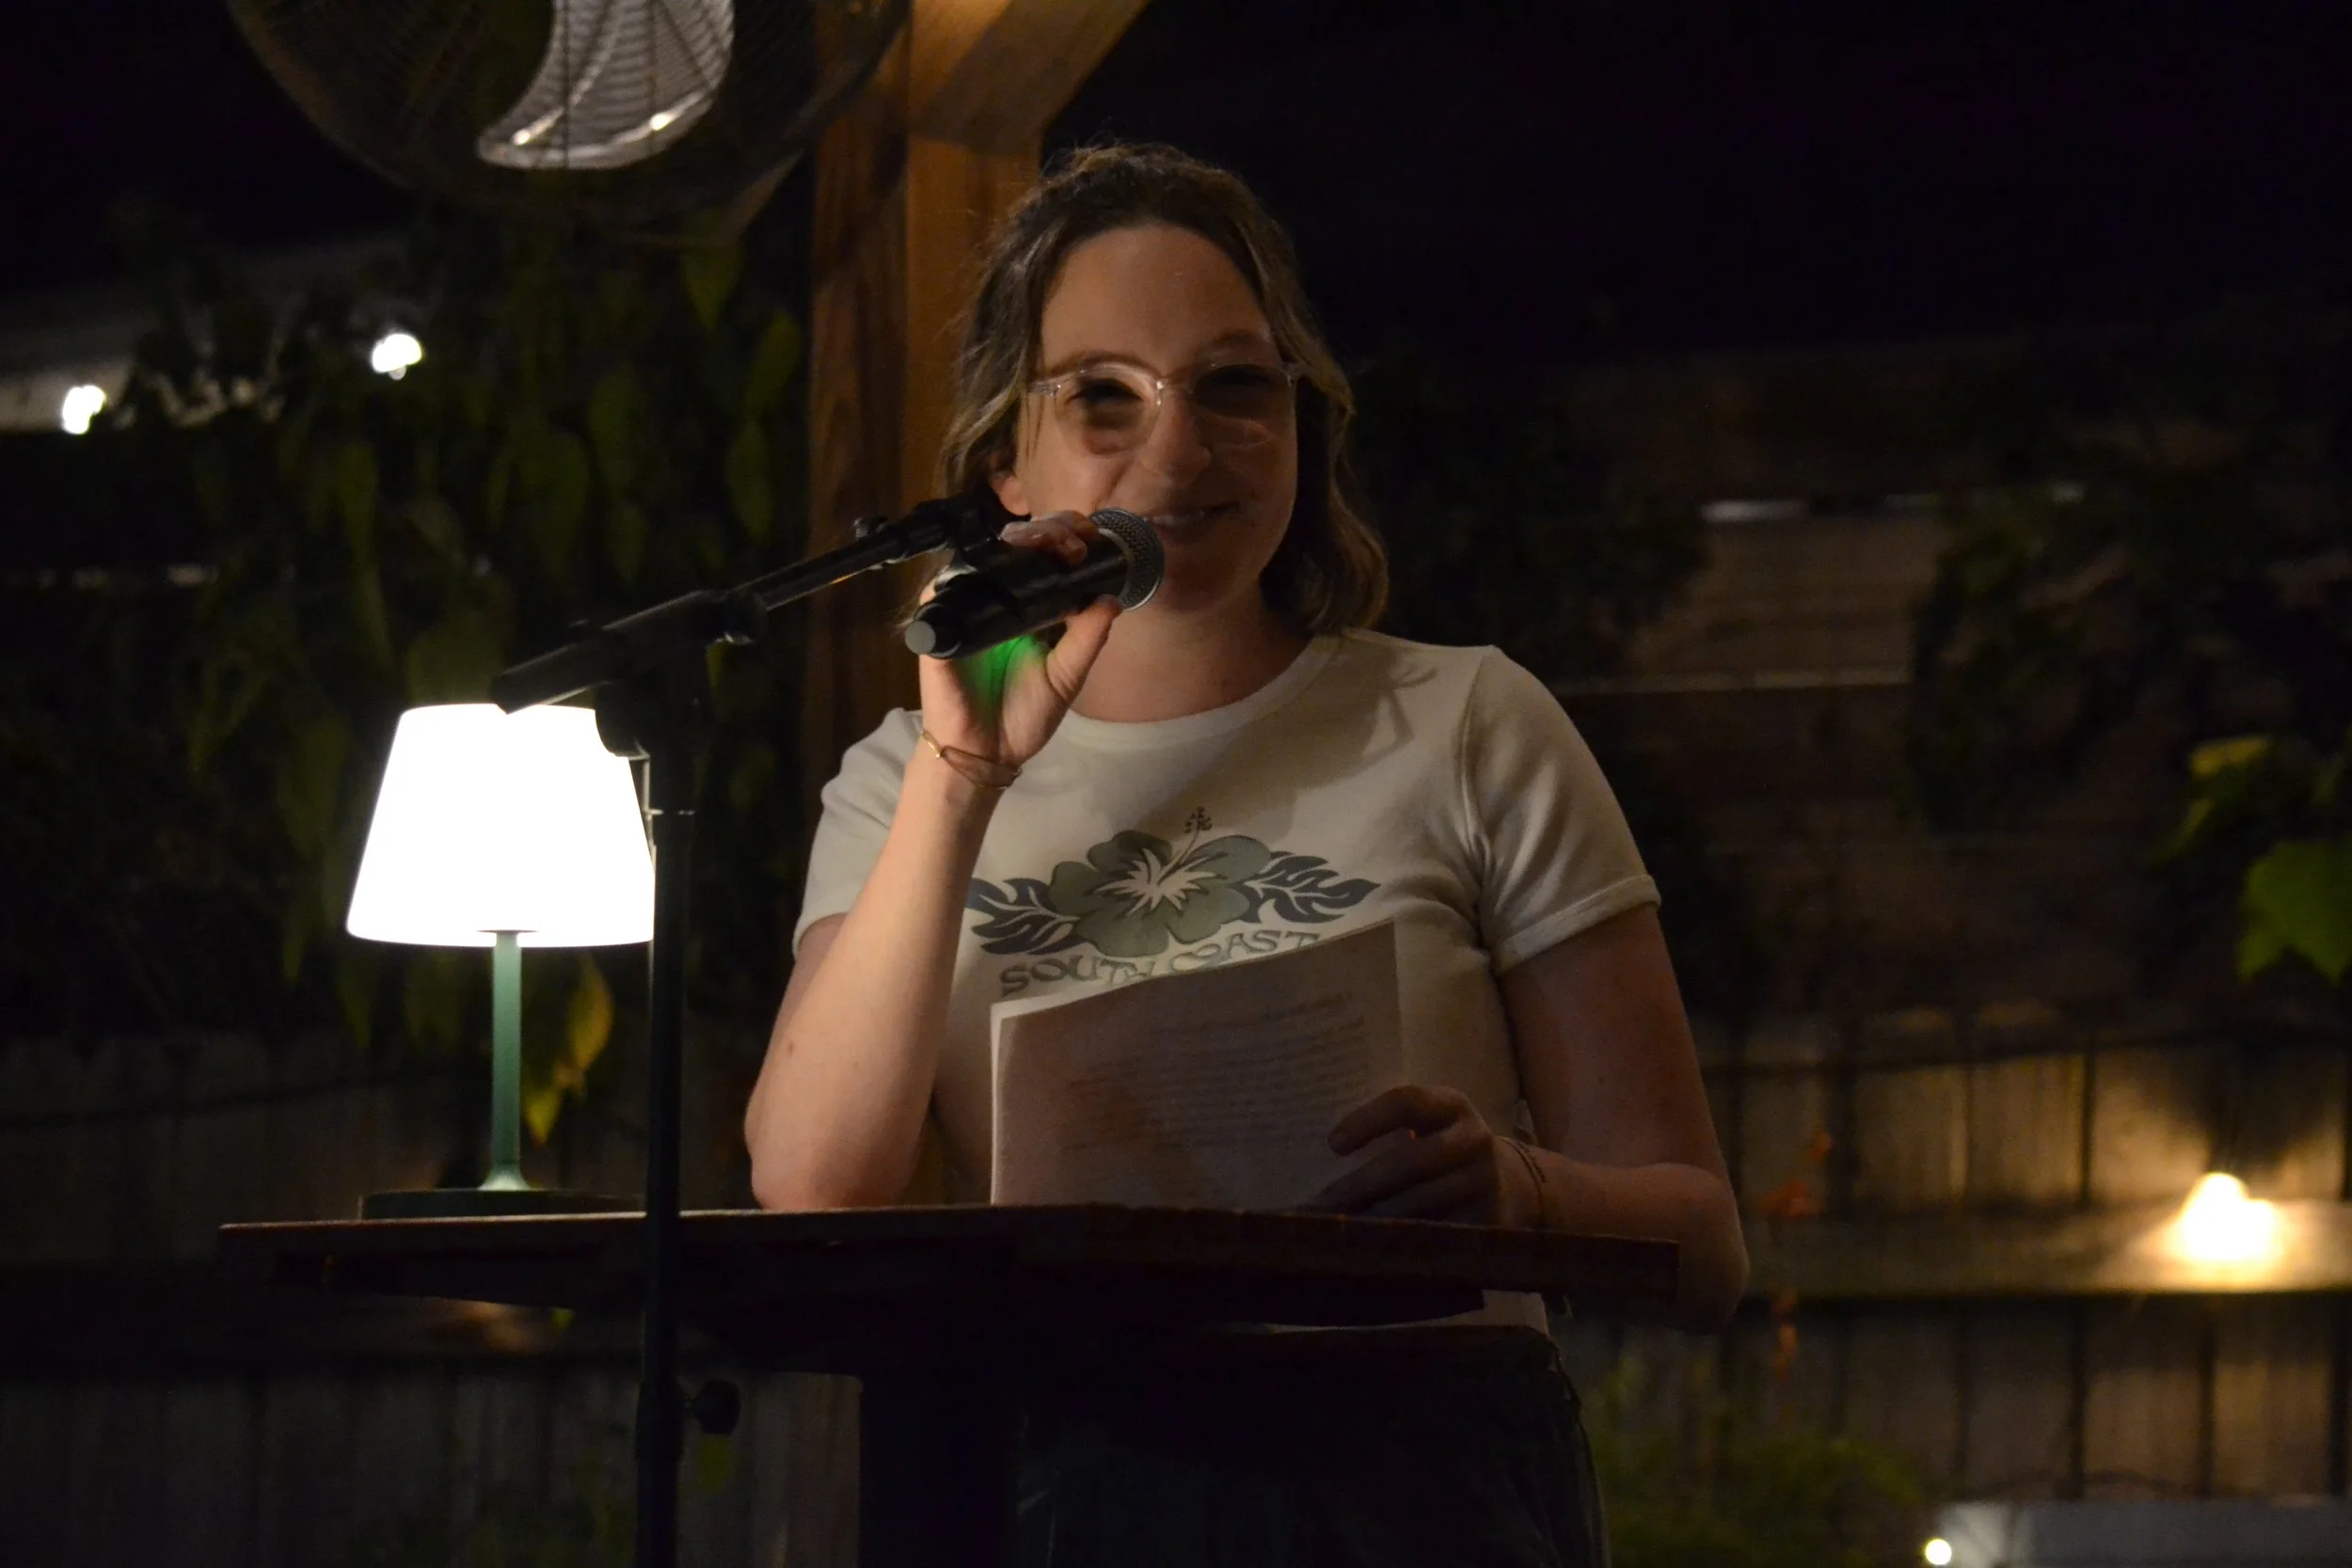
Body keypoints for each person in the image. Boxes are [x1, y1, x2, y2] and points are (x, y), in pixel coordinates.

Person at [743, 142, 1746, 1566]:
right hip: (1043, 1473)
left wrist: (1521, 1190)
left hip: (1412, 1481)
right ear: (1001, 468)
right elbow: (816, 1184)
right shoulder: (900, 781)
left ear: (1302, 424)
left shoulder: (1466, 720)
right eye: (1103, 395)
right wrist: (965, 775)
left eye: (1234, 386)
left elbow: (1701, 1246)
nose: (1178, 450)